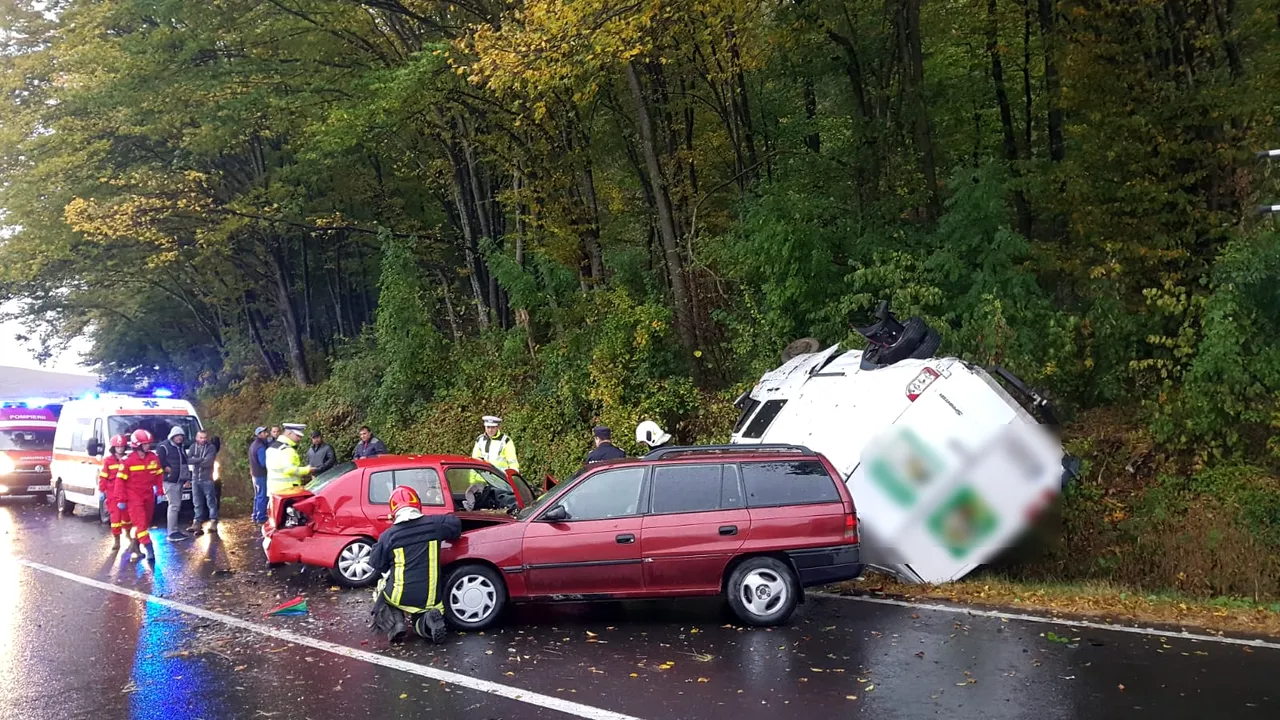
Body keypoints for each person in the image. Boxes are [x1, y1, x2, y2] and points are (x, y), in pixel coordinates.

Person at [369, 486, 461, 644]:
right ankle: (427, 622)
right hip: (431, 596)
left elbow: (376, 564)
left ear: (393, 510)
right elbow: (455, 525)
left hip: (400, 594)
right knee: (422, 617)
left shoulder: (389, 536)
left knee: (380, 588)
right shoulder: (435, 524)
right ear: (417, 504)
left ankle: (396, 624)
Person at [116, 429, 164, 561]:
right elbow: (120, 482)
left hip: (148, 495)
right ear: (137, 445)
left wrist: (160, 491)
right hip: (133, 497)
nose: (148, 446)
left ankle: (135, 545)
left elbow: (159, 476)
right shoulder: (128, 461)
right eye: (145, 443)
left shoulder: (153, 458)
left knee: (146, 523)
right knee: (141, 523)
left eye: (149, 443)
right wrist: (121, 499)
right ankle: (150, 549)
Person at [155, 426, 191, 542]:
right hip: (171, 481)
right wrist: (167, 469)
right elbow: (159, 462)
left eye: (181, 436)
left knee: (176, 506)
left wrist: (186, 479)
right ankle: (172, 532)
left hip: (179, 480)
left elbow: (184, 463)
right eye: (177, 436)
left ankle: (174, 530)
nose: (180, 438)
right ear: (172, 436)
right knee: (174, 506)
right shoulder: (164, 446)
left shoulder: (180, 448)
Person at [98, 434, 130, 549]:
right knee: (115, 517)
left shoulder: (128, 459)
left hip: (126, 492)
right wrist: (101, 490)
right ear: (114, 448)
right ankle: (117, 540)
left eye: (122, 447)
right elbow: (103, 477)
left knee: (127, 517)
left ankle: (128, 535)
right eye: (118, 447)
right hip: (112, 492)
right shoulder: (108, 461)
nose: (120, 449)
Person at [186, 430, 219, 536]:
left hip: (207, 478)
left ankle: (213, 521)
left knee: (211, 501)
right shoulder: (192, 447)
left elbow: (207, 463)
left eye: (204, 437)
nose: (203, 440)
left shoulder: (211, 448)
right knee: (197, 502)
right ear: (196, 438)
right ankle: (197, 522)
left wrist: (196, 460)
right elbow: (188, 460)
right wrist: (200, 459)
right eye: (201, 437)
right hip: (195, 478)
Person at [266, 422, 314, 494]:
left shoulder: (273, 447)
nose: (299, 438)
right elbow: (289, 469)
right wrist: (307, 469)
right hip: (287, 490)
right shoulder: (287, 449)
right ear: (289, 433)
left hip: (274, 490)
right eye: (297, 435)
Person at [248, 426, 270, 523]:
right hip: (261, 475)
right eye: (264, 432)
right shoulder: (260, 447)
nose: (266, 434)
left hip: (254, 474)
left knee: (257, 495)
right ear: (259, 434)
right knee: (262, 495)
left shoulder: (253, 445)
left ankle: (255, 515)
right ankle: (261, 517)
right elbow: (263, 463)